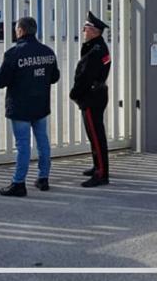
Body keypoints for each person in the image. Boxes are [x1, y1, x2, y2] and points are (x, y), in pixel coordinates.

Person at [0, 17, 60, 197]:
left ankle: (19, 183)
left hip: (20, 107)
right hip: (40, 105)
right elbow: (54, 77)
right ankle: (43, 178)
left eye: (16, 30)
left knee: (23, 145)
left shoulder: (13, 53)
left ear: (20, 31)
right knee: (43, 142)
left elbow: (0, 82)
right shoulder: (48, 52)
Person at [72, 11, 112, 187]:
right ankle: (97, 165)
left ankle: (101, 174)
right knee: (94, 134)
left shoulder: (95, 51)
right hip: (97, 94)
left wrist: (74, 94)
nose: (83, 30)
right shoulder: (98, 46)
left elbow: (86, 77)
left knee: (96, 136)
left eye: (86, 28)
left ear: (95, 31)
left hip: (91, 97)